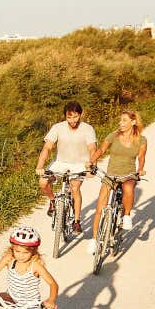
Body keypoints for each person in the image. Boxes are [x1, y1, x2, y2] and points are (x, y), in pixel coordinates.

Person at [88, 110, 147, 253]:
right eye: (120, 120)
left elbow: (141, 157)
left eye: (124, 120)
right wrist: (91, 161)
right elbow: (101, 149)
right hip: (111, 175)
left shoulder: (141, 140)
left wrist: (140, 169)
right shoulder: (113, 135)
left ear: (133, 122)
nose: (121, 123)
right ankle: (94, 240)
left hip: (128, 174)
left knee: (128, 189)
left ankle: (126, 216)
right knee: (100, 207)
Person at [36, 101, 97, 235]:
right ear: (65, 116)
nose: (72, 120)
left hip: (79, 164)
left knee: (75, 188)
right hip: (60, 162)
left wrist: (92, 164)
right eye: (69, 117)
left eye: (75, 117)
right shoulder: (58, 127)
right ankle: (53, 201)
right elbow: (47, 147)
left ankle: (76, 221)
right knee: (43, 182)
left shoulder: (87, 129)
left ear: (80, 115)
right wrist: (40, 166)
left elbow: (92, 148)